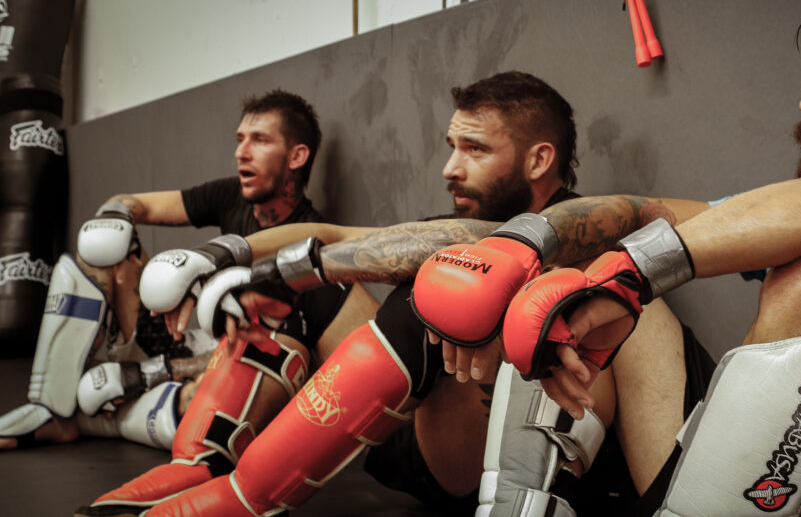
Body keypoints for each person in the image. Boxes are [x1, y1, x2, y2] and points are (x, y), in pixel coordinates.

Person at [440, 0, 801, 517]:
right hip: (774, 488)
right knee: (573, 277)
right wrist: (523, 242)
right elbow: (642, 213)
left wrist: (631, 276)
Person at [87, 71, 712, 516]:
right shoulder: (452, 226)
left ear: (538, 159)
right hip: (411, 436)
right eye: (451, 147)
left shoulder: (585, 227)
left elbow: (698, 220)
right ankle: (202, 462)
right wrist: (231, 257)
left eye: (475, 149)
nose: (450, 167)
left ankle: (247, 497)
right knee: (306, 294)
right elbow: (333, 233)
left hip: (501, 457)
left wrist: (270, 267)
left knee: (464, 282)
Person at [0, 89, 377, 461]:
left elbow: (285, 352)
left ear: (297, 156)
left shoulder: (307, 242)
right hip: (181, 338)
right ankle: (51, 404)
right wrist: (117, 211)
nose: (240, 152)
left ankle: (82, 416)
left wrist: (150, 373)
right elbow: (138, 204)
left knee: (206, 404)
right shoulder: (230, 195)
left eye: (259, 140)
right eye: (240, 139)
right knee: (103, 245)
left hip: (234, 363)